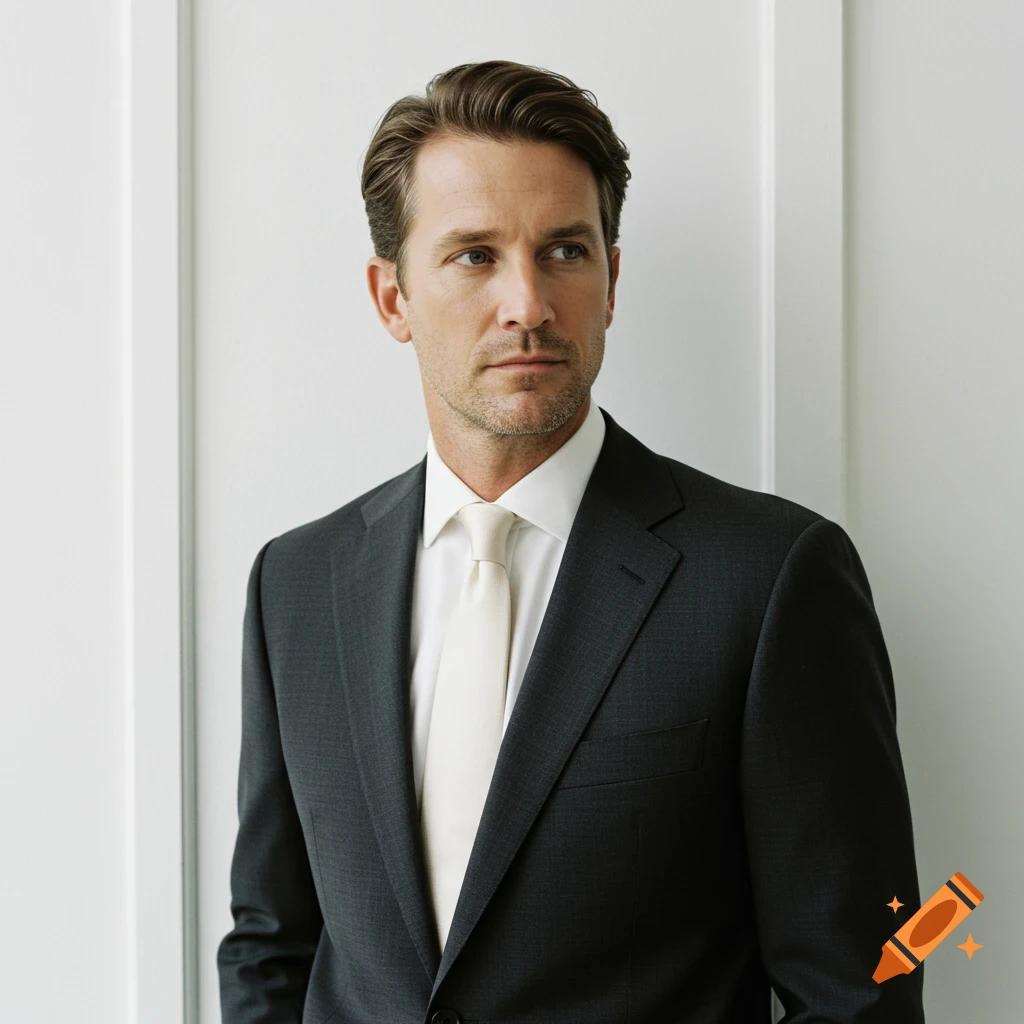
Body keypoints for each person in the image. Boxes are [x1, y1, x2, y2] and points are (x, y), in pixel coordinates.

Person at [217, 60, 925, 1024]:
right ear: (392, 299)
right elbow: (272, 941)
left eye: (564, 251)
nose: (528, 305)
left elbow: (865, 978)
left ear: (612, 277)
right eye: (474, 255)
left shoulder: (769, 579)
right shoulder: (295, 584)